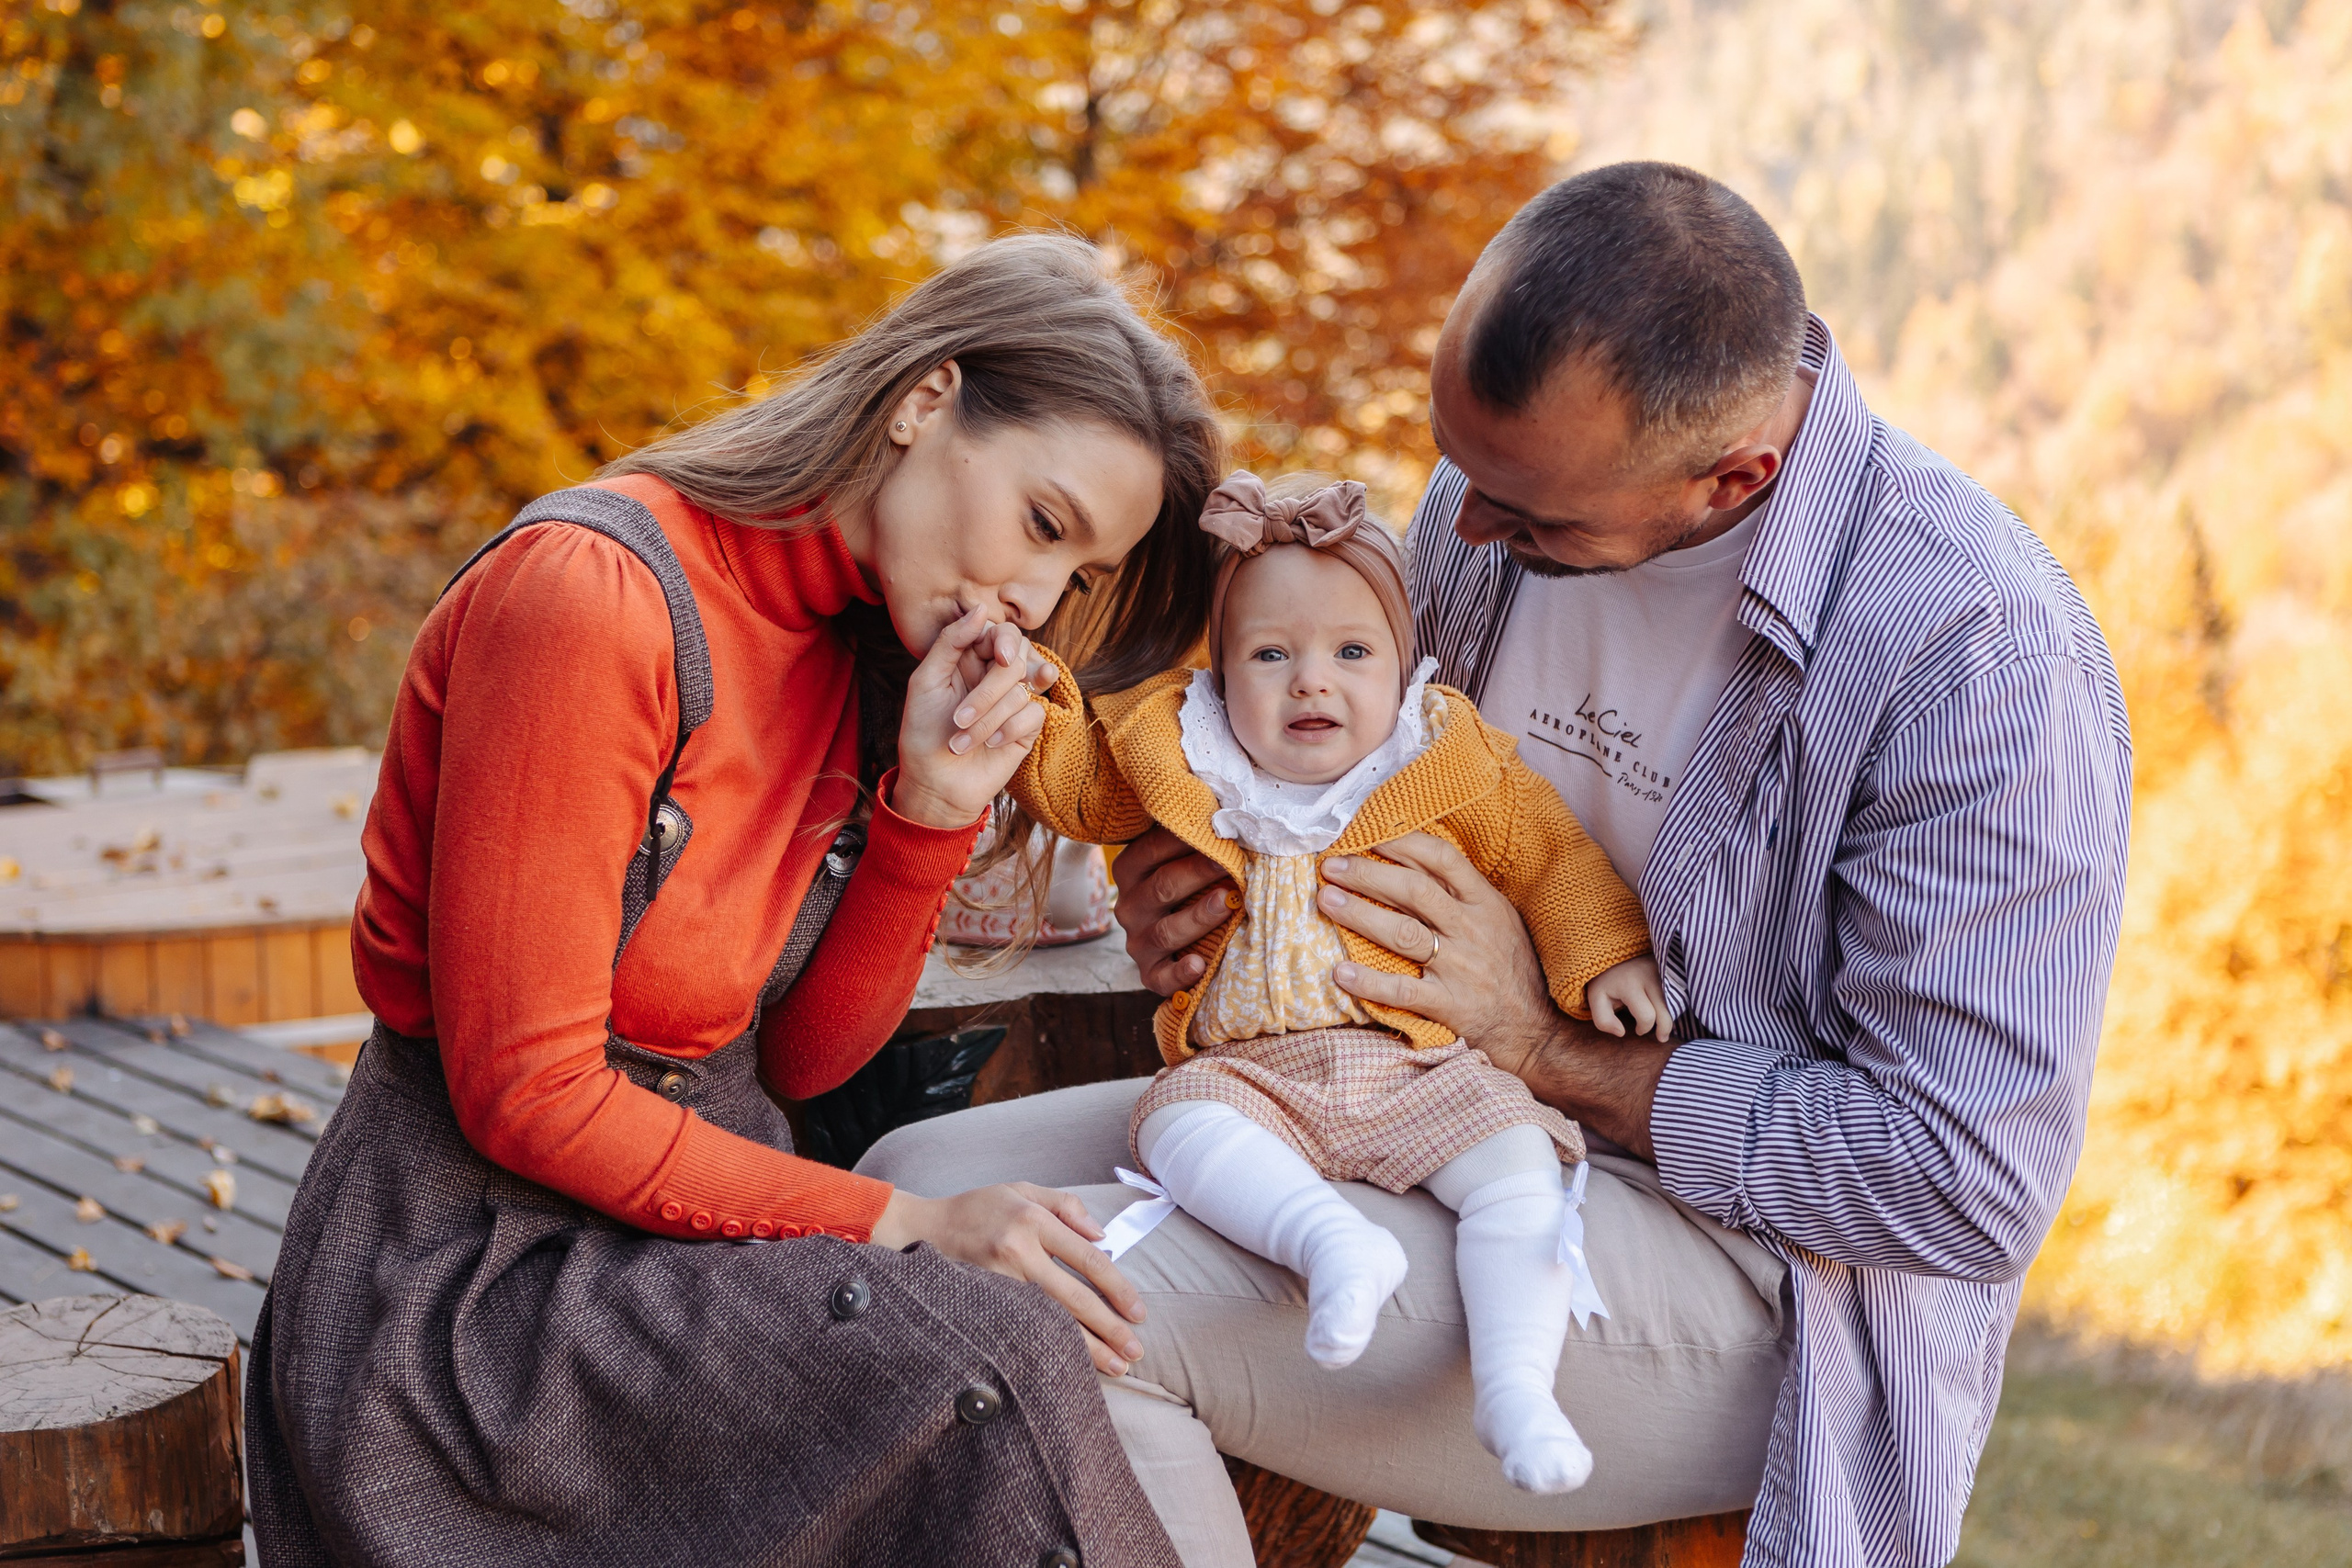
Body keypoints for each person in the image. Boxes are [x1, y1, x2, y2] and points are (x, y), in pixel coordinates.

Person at [860, 163, 2132, 1567]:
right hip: (1374, 1090)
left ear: (1736, 478)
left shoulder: (1974, 658)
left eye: (1529, 520)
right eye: (1458, 473)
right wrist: (1213, 901)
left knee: (1040, 1310)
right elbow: (1329, 779)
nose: (1463, 533)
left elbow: (1963, 1179)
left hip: (1758, 1281)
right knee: (911, 1192)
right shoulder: (1511, 493)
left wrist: (1545, 1043)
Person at [244, 233, 1227, 1568]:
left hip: (688, 1246)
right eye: (1043, 523)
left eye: (1077, 573)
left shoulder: (856, 641)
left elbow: (805, 1058)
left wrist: (927, 814)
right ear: (923, 399)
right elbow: (526, 1095)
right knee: (990, 1355)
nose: (1035, 600)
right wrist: (913, 1222)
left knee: (1059, 1314)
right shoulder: (593, 598)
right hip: (475, 1297)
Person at [1008, 468, 1667, 1496]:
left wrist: (1604, 957)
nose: (1311, 682)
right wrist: (1033, 699)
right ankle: (1332, 1248)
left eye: (1352, 653)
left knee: (1521, 1183)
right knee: (1178, 1128)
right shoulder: (1183, 749)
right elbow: (1078, 786)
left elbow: (1550, 857)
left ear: (1402, 665)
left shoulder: (1443, 755)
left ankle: (1514, 1386)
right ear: (1220, 674)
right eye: (1270, 655)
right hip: (1254, 1077)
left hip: (1420, 1065)